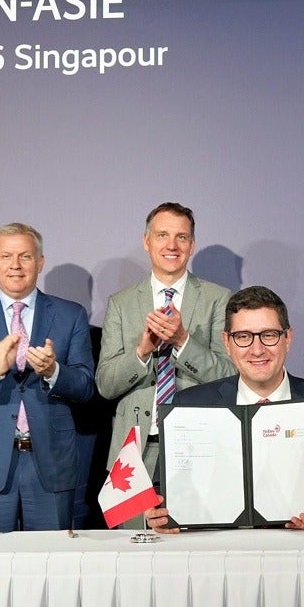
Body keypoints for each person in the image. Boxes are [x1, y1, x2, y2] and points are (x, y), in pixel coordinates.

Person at [145, 285, 304, 533]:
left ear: (288, 339)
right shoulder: (188, 406)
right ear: (227, 342)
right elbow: (161, 493)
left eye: (269, 335)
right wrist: (158, 514)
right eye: (243, 337)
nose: (257, 349)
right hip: (214, 560)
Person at [0, 223, 97, 532]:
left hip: (51, 462)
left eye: (25, 256)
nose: (15, 265)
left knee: (52, 568)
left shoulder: (70, 315)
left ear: (40, 262)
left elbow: (85, 387)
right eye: (6, 256)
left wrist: (54, 372)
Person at [96, 202, 234, 526]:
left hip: (198, 448)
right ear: (147, 241)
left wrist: (183, 342)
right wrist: (142, 350)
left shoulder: (218, 298)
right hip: (135, 451)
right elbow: (105, 385)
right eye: (162, 235)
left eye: (181, 237)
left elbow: (229, 378)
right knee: (130, 556)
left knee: (196, 553)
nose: (171, 245)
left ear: (192, 245)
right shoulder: (121, 303)